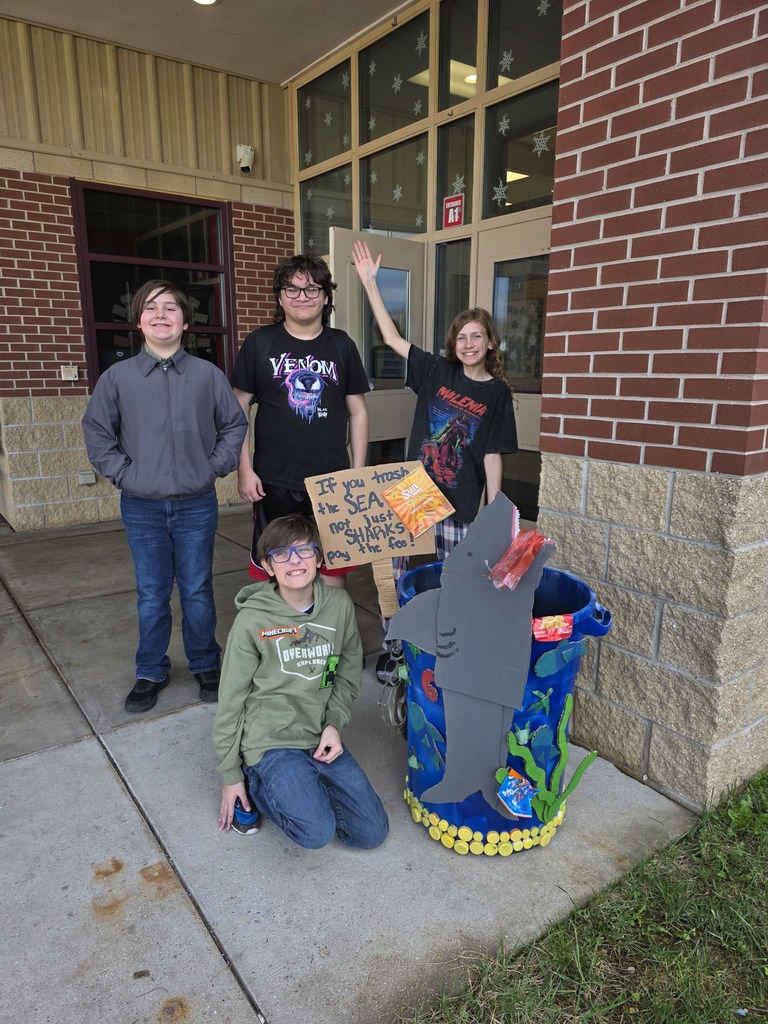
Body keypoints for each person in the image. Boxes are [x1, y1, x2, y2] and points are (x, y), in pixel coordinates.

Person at [352, 240, 518, 679]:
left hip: (461, 498)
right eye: (461, 337)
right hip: (415, 490)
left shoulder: (497, 393)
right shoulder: (436, 372)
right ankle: (395, 647)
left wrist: (494, 511)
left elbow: (494, 452)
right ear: (453, 343)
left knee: (458, 579)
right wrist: (371, 284)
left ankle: (450, 648)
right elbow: (390, 337)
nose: (468, 344)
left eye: (476, 336)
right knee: (392, 572)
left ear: (489, 342)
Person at [82, 280, 248, 713]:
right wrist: (125, 475)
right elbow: (97, 433)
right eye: (151, 308)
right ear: (139, 321)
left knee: (196, 587)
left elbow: (234, 424)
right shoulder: (118, 378)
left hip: (196, 503)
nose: (161, 315)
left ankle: (205, 662)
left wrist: (213, 467)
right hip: (142, 505)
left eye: (170, 308)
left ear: (185, 321)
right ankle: (150, 669)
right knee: (152, 591)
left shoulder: (207, 375)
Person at [213, 514, 389, 849]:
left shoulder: (338, 605)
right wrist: (230, 775)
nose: (294, 561)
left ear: (320, 559)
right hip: (270, 741)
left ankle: (305, 787)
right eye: (281, 554)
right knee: (316, 833)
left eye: (304, 551)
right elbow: (232, 700)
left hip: (318, 732)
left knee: (370, 834)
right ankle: (256, 783)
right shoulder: (252, 621)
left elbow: (346, 671)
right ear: (268, 566)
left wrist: (334, 724)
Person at [231, 253, 369, 587]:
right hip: (274, 480)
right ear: (279, 296)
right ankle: (287, 635)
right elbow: (238, 412)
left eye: (311, 289)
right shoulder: (260, 343)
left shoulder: (342, 345)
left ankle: (330, 635)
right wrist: (244, 469)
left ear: (325, 297)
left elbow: (359, 412)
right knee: (278, 566)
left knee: (333, 566)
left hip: (333, 480)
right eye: (291, 289)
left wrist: (358, 474)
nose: (302, 297)